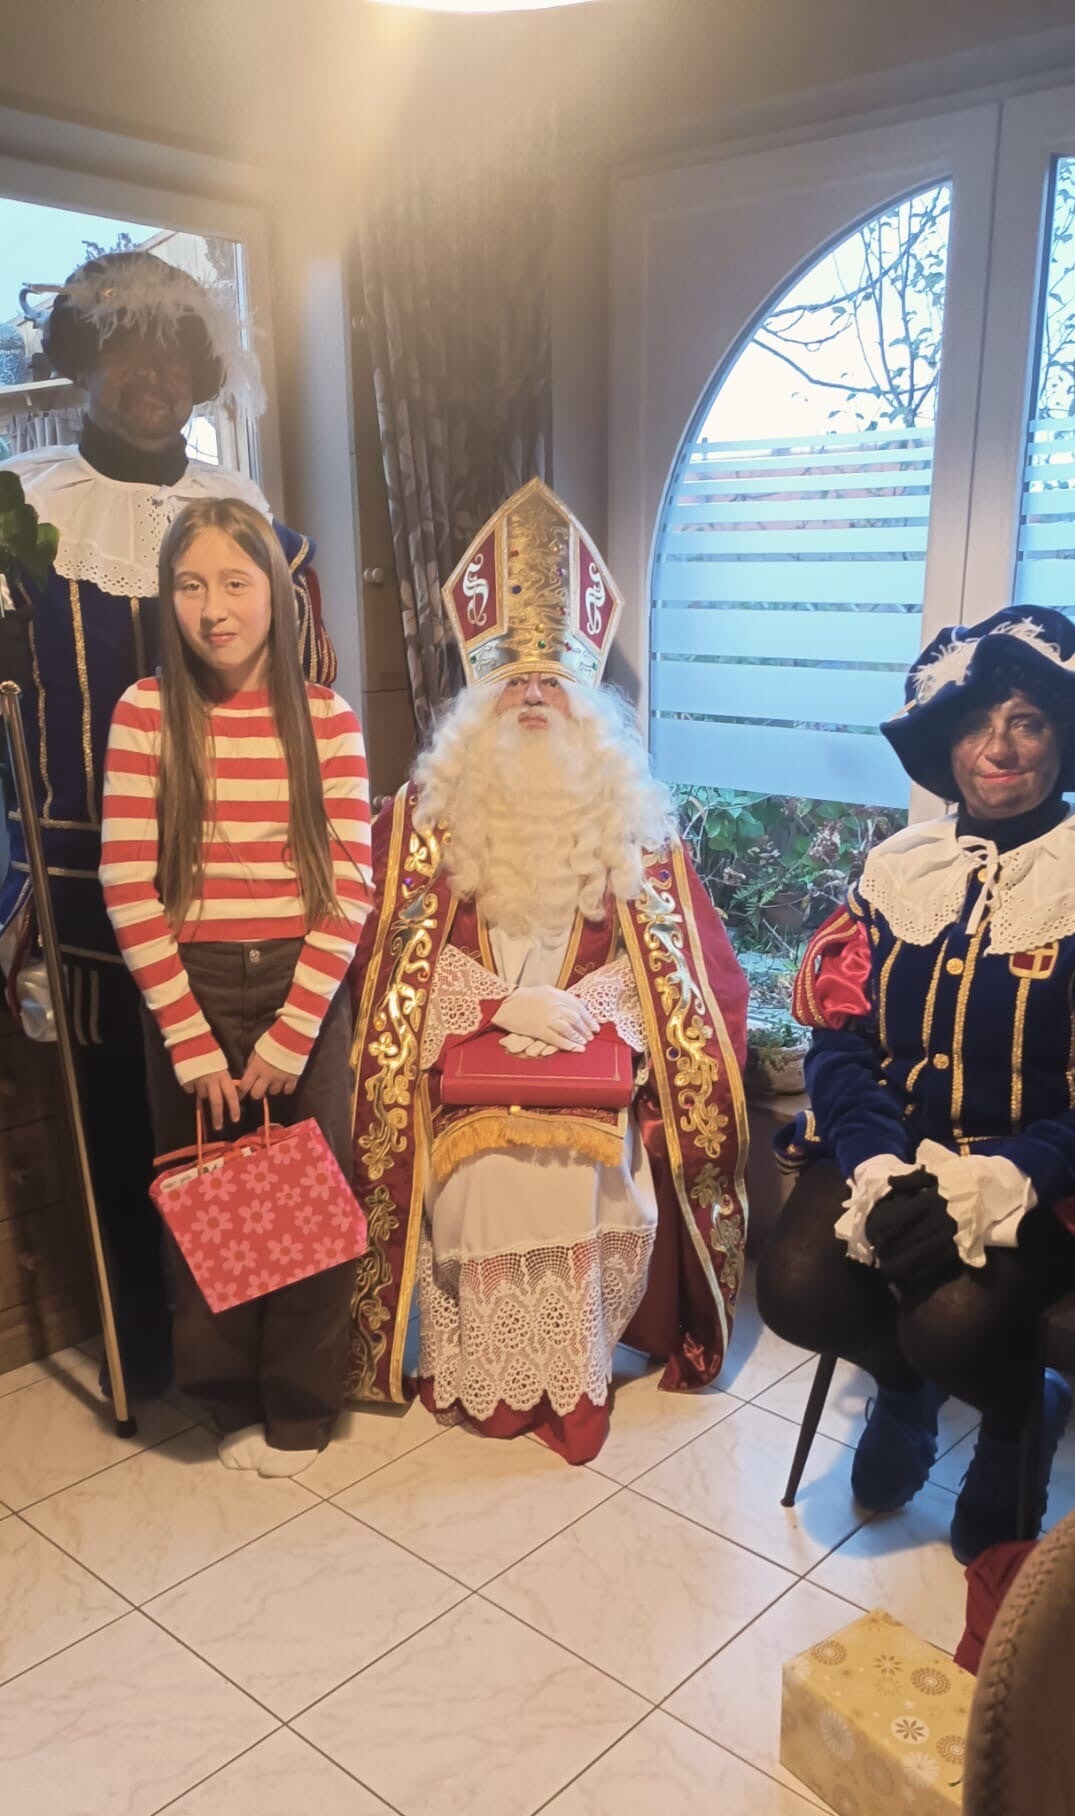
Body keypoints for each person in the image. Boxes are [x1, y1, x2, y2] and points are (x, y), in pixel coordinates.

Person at [348, 478, 748, 1462]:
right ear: (475, 705)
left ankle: (571, 1379)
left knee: (576, 1175)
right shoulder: (416, 823)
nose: (531, 696)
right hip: (463, 1070)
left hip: (594, 1064)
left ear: (590, 706)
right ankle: (488, 1377)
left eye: (553, 681)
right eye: (511, 681)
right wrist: (496, 1003)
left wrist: (592, 1007)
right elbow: (376, 962)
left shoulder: (637, 827)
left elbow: (699, 981)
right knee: (484, 1175)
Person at [0, 249, 336, 1397]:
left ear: (201, 375)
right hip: (89, 910)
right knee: (124, 1144)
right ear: (84, 361)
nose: (152, 375)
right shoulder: (23, 523)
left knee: (262, 1148)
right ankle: (157, 1360)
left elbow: (310, 717)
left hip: (251, 910)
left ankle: (259, 1369)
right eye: (127, 349)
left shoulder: (257, 533)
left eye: (174, 354)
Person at [757, 604, 1075, 1562]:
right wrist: (873, 1164)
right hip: (891, 1145)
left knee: (953, 1319)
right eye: (976, 724)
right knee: (796, 1290)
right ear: (945, 744)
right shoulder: (898, 867)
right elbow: (840, 1046)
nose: (999, 748)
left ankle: (1019, 1420)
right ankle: (903, 1394)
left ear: (1064, 737)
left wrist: (1009, 1176)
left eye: (1027, 722)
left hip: (1049, 1172)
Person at [99, 498, 372, 1475]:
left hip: (303, 984)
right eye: (189, 585)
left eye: (234, 582)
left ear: (276, 593)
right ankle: (225, 1402)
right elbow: (127, 883)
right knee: (207, 1204)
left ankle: (299, 1407)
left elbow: (349, 887)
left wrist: (292, 1035)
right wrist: (192, 1040)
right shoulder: (143, 713)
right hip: (192, 984)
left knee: (310, 1208)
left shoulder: (328, 720)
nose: (213, 609)